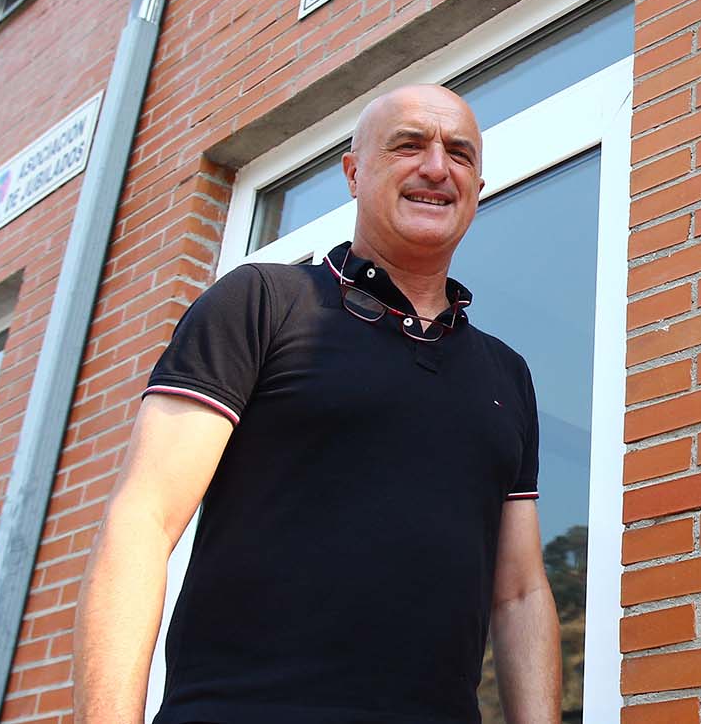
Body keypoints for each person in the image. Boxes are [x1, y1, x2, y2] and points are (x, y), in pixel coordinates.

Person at [74, 85, 562, 724]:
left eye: (460, 155)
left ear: (477, 185)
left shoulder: (506, 374)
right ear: (354, 173)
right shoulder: (260, 302)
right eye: (408, 146)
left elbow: (520, 594)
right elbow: (143, 520)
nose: (437, 168)